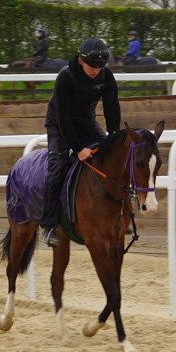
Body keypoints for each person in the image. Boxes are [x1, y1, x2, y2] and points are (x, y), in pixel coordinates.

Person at [39, 37, 121, 247]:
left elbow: (112, 108)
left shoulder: (106, 76)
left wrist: (113, 137)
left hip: (87, 122)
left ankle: (119, 215)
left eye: (99, 67)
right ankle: (48, 225)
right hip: (59, 124)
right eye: (92, 66)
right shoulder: (65, 77)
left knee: (114, 157)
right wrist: (77, 149)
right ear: (81, 60)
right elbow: (64, 118)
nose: (95, 71)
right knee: (57, 167)